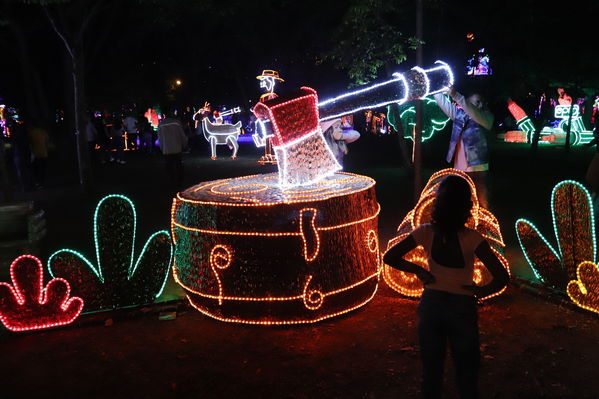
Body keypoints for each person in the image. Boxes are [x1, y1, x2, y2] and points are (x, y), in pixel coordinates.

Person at [383, 174, 509, 399]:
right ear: (467, 206)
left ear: (438, 204)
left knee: (432, 372)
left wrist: (419, 271)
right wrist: (481, 291)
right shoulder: (473, 238)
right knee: (466, 372)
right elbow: (502, 276)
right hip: (462, 307)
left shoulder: (425, 232)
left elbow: (390, 256)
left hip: (431, 306)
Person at [433, 86, 494, 209]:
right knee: (460, 201)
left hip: (478, 168)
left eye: (482, 102)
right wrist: (436, 87)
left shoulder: (487, 117)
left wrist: (455, 95)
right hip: (460, 168)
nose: (481, 105)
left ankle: (484, 226)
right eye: (477, 102)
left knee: (481, 202)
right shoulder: (459, 116)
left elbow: (474, 113)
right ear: (468, 101)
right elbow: (442, 102)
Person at [157, 109, 188, 189]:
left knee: (169, 166)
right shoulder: (177, 123)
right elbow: (182, 135)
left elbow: (160, 138)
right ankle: (179, 181)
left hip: (166, 148)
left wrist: (162, 147)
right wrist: (184, 144)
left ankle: (172, 180)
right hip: (177, 147)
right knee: (179, 165)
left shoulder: (161, 124)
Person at [28, 119, 50, 188]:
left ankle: (38, 183)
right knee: (43, 169)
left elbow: (30, 143)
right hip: (44, 153)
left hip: (35, 154)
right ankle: (42, 183)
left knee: (36, 170)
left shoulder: (31, 132)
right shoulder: (43, 131)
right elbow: (47, 141)